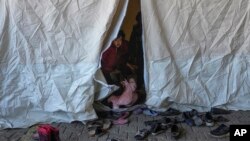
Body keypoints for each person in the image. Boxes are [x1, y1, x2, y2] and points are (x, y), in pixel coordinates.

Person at [128, 11, 144, 89]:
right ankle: (140, 84)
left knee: (143, 67)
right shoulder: (136, 28)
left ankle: (142, 84)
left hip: (144, 49)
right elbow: (132, 41)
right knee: (140, 67)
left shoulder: (148, 27)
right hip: (139, 49)